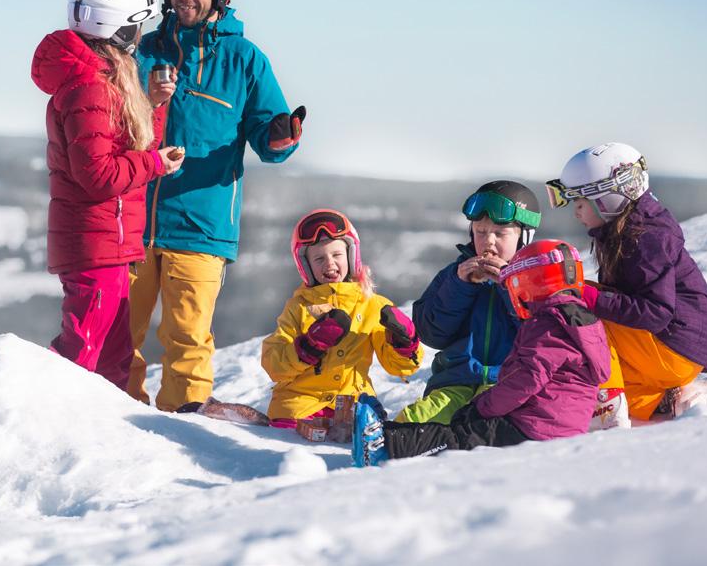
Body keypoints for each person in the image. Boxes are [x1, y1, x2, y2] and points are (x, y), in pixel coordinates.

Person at [129, 0, 305, 412]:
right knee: (119, 336)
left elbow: (269, 141)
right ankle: (112, 431)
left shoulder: (245, 59)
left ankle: (180, 431)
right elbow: (112, 122)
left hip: (201, 226)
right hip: (131, 220)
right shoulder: (144, 50)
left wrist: (281, 134)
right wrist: (146, 96)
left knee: (186, 339)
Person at [31, 0, 184, 389]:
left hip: (108, 242)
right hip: (95, 241)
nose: (139, 37)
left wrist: (151, 107)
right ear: (118, 29)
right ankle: (47, 430)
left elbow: (117, 145)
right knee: (81, 358)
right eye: (136, 27)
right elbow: (98, 176)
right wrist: (154, 163)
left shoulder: (100, 82)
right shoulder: (90, 89)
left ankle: (105, 445)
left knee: (113, 363)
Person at [352, 239, 611, 466]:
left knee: (460, 438)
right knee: (463, 428)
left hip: (534, 428)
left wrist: (480, 408)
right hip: (553, 424)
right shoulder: (581, 322)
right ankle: (390, 434)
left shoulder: (547, 326)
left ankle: (385, 449)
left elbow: (522, 380)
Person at [545, 142, 707, 420]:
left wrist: (586, 299)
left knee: (577, 306)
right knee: (583, 380)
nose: (576, 212)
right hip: (677, 349)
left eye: (580, 202)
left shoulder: (646, 239)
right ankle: (673, 400)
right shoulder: (623, 232)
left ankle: (608, 406)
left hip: (677, 343)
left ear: (609, 199)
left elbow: (655, 313)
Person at [261, 209, 423, 430]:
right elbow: (273, 364)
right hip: (300, 403)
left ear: (350, 255)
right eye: (319, 258)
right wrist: (308, 347)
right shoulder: (298, 307)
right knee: (290, 436)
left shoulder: (372, 305)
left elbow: (399, 368)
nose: (329, 263)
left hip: (353, 401)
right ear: (306, 265)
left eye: (336, 255)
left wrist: (405, 343)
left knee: (369, 431)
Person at [396, 181, 541, 425]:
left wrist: (510, 286)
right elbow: (431, 332)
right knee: (416, 421)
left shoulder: (537, 279)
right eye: (480, 232)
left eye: (500, 233)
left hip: (508, 382)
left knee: (483, 426)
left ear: (524, 237)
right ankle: (381, 443)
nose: (489, 242)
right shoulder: (454, 275)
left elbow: (541, 334)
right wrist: (461, 287)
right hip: (455, 380)